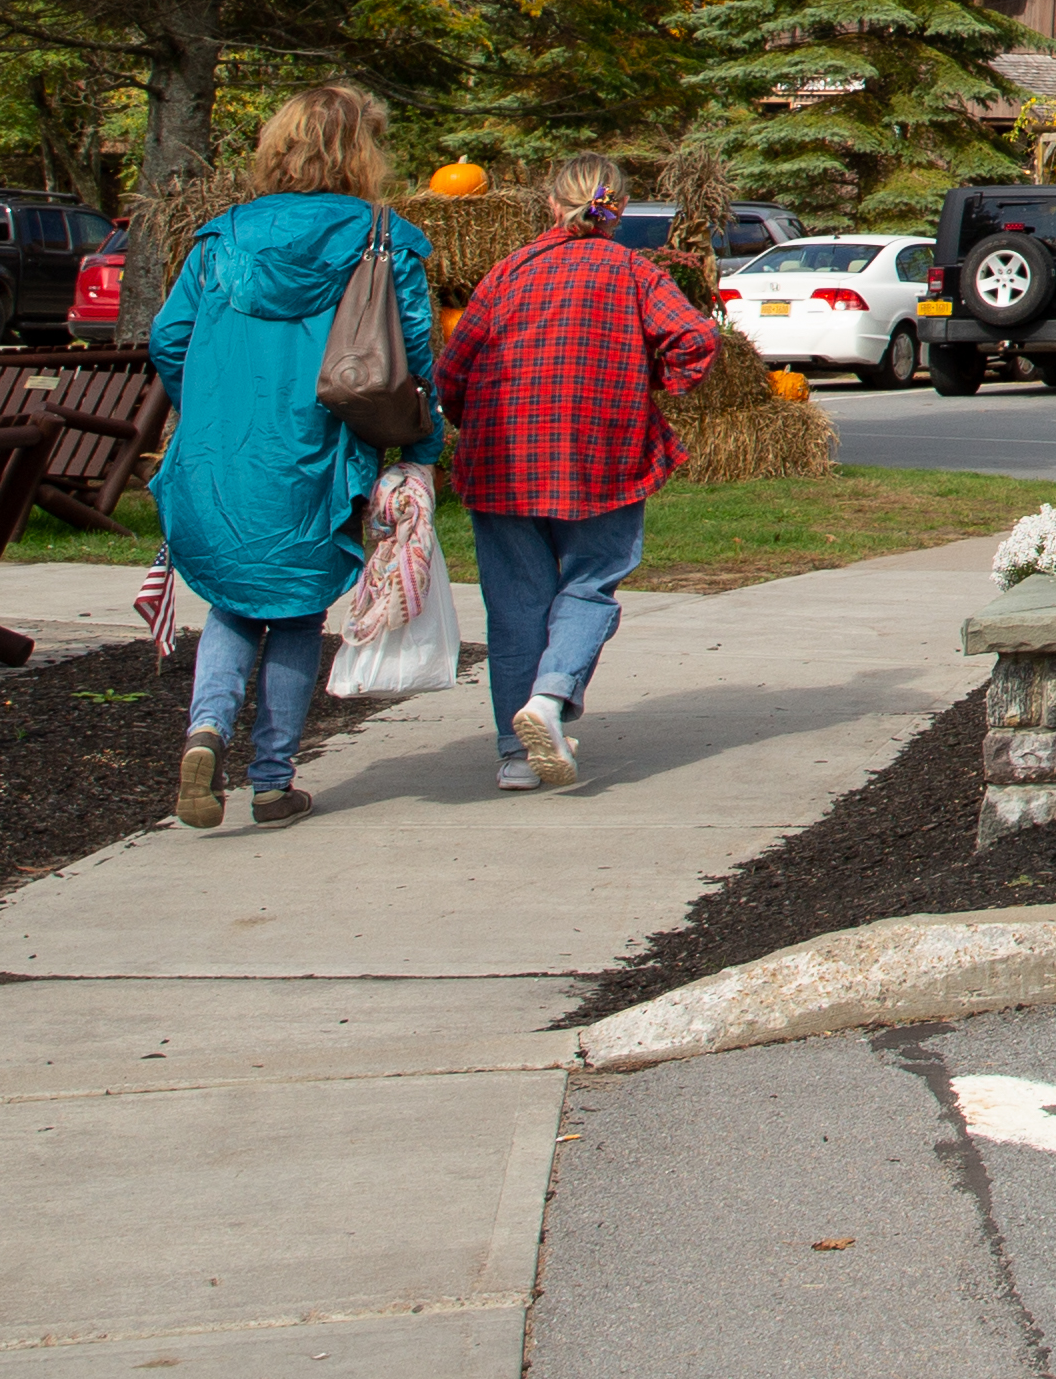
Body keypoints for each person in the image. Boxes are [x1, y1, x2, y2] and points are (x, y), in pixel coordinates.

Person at [146, 84, 434, 832]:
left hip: (220, 452)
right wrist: (421, 448)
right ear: (361, 151)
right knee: (298, 611)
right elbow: (412, 358)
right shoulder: (384, 238)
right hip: (319, 451)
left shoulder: (221, 237)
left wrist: (207, 401)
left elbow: (169, 340)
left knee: (234, 603)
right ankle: (271, 782)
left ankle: (205, 730)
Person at [432, 156, 721, 792]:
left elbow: (453, 366)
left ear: (550, 204)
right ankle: (551, 698)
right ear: (617, 210)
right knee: (591, 583)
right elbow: (694, 339)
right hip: (602, 453)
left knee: (514, 607)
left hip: (504, 458)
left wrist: (470, 420)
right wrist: (650, 386)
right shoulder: (632, 271)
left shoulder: (508, 272)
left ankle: (515, 756)